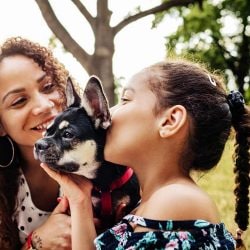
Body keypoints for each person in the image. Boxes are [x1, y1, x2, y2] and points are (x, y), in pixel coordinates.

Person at [43, 59, 249, 250]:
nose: (110, 113)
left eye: (125, 99)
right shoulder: (150, 203)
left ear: (170, 121)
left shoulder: (175, 200)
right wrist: (80, 202)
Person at [0, 37, 79, 249]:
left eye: (48, 87)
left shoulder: (108, 153)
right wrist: (36, 243)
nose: (44, 105)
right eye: (19, 101)